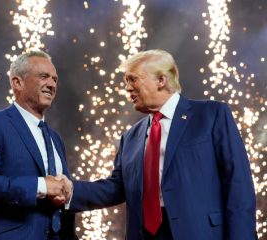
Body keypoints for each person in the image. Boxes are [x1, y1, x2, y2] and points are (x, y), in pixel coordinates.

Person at [63, 50, 256, 240]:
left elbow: (237, 182)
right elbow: (116, 188)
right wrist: (69, 191)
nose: (128, 88)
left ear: (161, 81)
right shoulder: (129, 137)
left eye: (133, 79)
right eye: (126, 82)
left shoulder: (211, 114)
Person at [0, 50, 76, 240]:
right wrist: (42, 186)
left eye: (55, 79)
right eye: (43, 76)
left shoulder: (56, 138)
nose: (52, 84)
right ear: (17, 82)